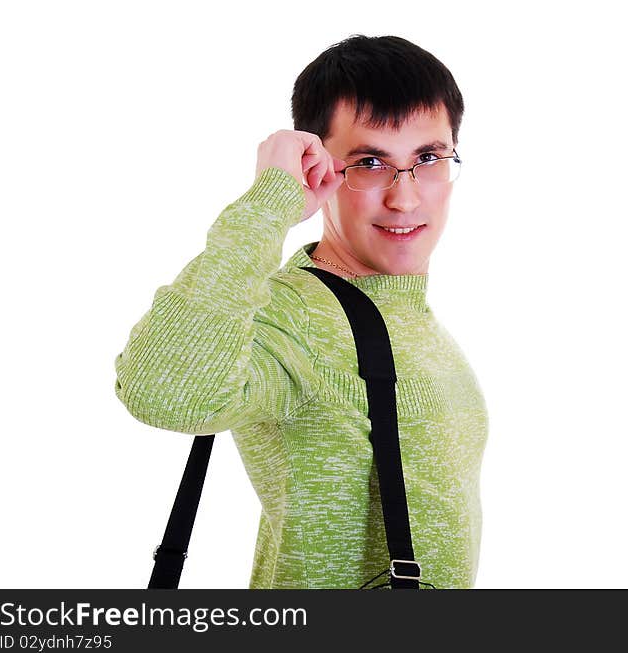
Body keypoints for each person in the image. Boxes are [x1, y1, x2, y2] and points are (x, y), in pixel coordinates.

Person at [114, 34, 488, 589]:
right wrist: (269, 203)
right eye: (368, 162)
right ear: (321, 168)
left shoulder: (416, 318)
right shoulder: (291, 313)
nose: (405, 198)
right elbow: (163, 391)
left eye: (428, 158)